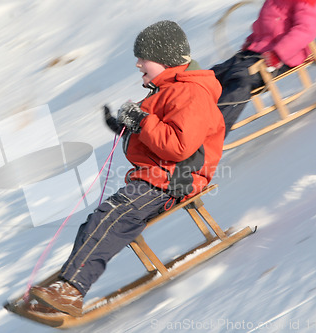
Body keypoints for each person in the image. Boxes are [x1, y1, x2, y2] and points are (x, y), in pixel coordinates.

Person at [28, 20, 225, 317]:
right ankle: (69, 283)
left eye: (143, 57)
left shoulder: (190, 94)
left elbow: (178, 146)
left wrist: (142, 122)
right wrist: (125, 126)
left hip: (176, 178)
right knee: (104, 217)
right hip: (158, 176)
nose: (137, 64)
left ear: (164, 58)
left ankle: (71, 289)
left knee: (112, 216)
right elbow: (158, 134)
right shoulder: (167, 90)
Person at [212, 0, 316, 137]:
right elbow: (266, 23)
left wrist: (278, 54)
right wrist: (252, 40)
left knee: (239, 81)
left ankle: (209, 137)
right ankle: (190, 121)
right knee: (212, 76)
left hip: (282, 57)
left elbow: (304, 31)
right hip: (256, 51)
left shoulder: (310, 2)